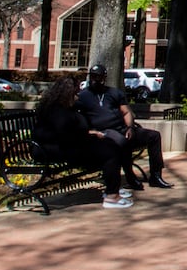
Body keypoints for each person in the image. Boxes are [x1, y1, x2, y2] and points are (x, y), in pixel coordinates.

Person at [34, 76, 132, 209]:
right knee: (109, 151)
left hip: (67, 145)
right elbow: (63, 135)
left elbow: (73, 131)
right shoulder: (56, 111)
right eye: (75, 93)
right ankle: (111, 196)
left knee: (111, 145)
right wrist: (87, 135)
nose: (78, 95)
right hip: (52, 150)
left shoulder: (67, 108)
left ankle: (112, 189)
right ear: (67, 93)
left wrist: (89, 134)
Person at [76, 63, 172, 189]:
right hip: (102, 135)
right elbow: (76, 118)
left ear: (104, 78)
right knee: (122, 142)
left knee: (154, 136)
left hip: (122, 129)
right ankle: (130, 176)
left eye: (98, 77)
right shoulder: (82, 96)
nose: (95, 80)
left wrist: (130, 128)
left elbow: (127, 112)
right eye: (93, 77)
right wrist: (90, 132)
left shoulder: (114, 93)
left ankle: (156, 176)